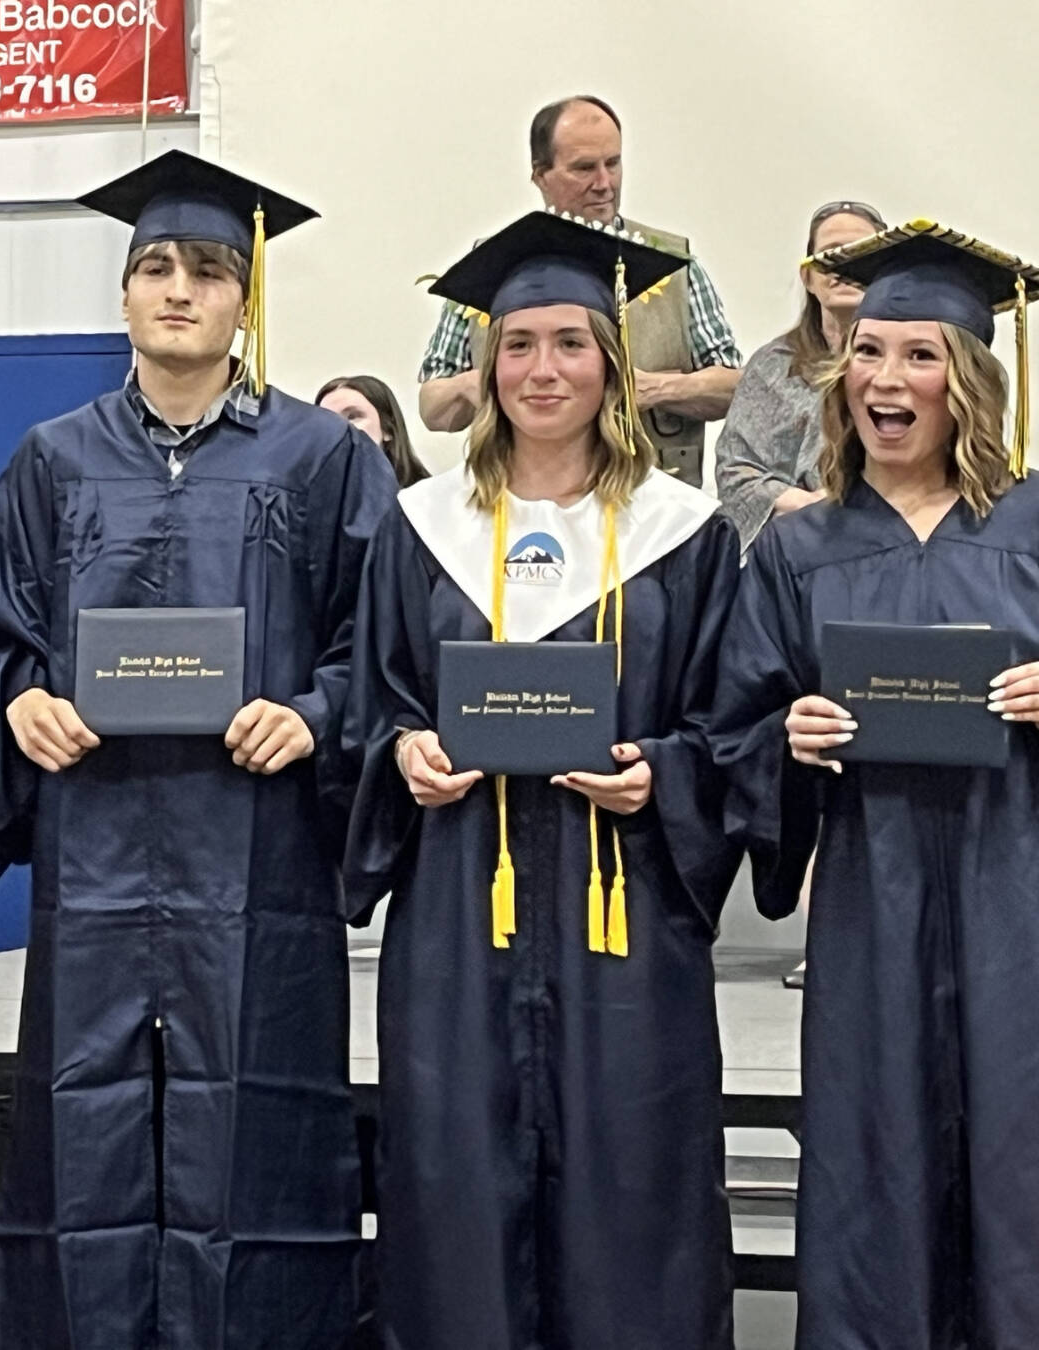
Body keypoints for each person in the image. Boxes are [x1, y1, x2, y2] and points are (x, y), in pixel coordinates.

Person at [0, 150, 397, 1349]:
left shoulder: (322, 459)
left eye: (207, 270)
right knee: (84, 1141)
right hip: (98, 847)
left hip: (255, 857)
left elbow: (383, 640)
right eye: (154, 267)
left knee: (255, 1142)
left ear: (242, 299)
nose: (178, 290)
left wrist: (315, 712)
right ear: (123, 297)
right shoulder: (53, 460)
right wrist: (21, 699)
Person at [346, 210, 742, 1350]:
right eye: (517, 346)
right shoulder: (422, 528)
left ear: (612, 363)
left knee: (636, 1184)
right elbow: (374, 697)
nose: (542, 370)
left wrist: (661, 776)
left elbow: (735, 723)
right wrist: (400, 753)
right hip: (459, 920)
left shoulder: (685, 534)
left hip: (626, 924)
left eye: (571, 342)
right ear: (485, 367)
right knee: (456, 1176)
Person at [711, 220, 1039, 1347]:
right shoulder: (801, 552)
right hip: (868, 909)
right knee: (873, 1151)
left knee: (1020, 1151)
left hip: (1020, 906)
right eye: (867, 351)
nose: (886, 378)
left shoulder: (1036, 528)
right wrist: (783, 738)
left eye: (919, 355)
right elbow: (731, 730)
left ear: (970, 382)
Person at [417, 95, 742, 485]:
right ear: (541, 176)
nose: (604, 184)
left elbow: (734, 386)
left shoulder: (674, 265)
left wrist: (657, 388)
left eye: (613, 163)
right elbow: (432, 407)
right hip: (520, 498)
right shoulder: (494, 265)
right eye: (584, 168)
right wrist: (480, 384)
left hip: (653, 504)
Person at [715, 200, 888, 550]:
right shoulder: (773, 366)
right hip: (792, 545)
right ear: (807, 277)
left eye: (860, 253)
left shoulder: (909, 369)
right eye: (830, 254)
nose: (843, 264)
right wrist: (808, 507)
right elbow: (735, 473)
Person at [318, 373, 429, 488]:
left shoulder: (427, 498)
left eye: (352, 416)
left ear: (387, 428)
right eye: (327, 421)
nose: (337, 428)